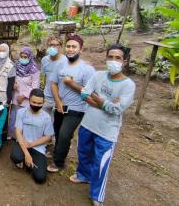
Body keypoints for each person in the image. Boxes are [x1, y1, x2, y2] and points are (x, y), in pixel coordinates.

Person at [70, 45, 136, 206]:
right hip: (88, 124)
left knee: (101, 163)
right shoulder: (98, 75)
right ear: (106, 58)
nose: (113, 61)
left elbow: (117, 109)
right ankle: (83, 175)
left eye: (118, 58)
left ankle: (96, 194)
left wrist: (100, 99)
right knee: (83, 152)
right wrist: (105, 103)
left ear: (124, 61)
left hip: (107, 131)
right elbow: (84, 93)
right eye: (110, 57)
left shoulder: (128, 85)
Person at [47, 34, 96, 173]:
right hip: (60, 105)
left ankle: (58, 162)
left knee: (64, 134)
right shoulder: (60, 65)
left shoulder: (87, 69)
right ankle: (57, 151)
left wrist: (72, 84)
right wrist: (58, 101)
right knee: (57, 132)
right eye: (68, 46)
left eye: (74, 47)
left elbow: (90, 92)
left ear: (80, 49)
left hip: (77, 108)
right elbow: (53, 83)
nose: (70, 49)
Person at [10, 89, 54, 184]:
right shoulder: (21, 112)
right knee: (16, 157)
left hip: (38, 147)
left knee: (40, 178)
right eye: (34, 102)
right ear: (29, 100)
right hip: (22, 143)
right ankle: (24, 160)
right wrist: (27, 154)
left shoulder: (46, 117)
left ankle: (29, 164)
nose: (36, 105)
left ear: (43, 102)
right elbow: (18, 132)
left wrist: (31, 144)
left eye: (39, 103)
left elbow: (48, 137)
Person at [9, 46, 40, 139]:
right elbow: (10, 79)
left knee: (24, 120)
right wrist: (13, 84)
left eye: (25, 57)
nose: (23, 59)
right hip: (15, 98)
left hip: (26, 100)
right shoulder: (16, 66)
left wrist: (24, 95)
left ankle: (24, 139)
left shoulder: (34, 70)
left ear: (30, 57)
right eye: (21, 56)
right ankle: (14, 137)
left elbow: (35, 87)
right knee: (14, 119)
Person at [41, 36, 67, 116]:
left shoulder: (66, 61)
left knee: (57, 125)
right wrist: (41, 94)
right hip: (46, 98)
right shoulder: (44, 60)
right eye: (51, 45)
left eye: (56, 45)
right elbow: (42, 77)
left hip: (60, 99)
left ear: (61, 47)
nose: (53, 47)